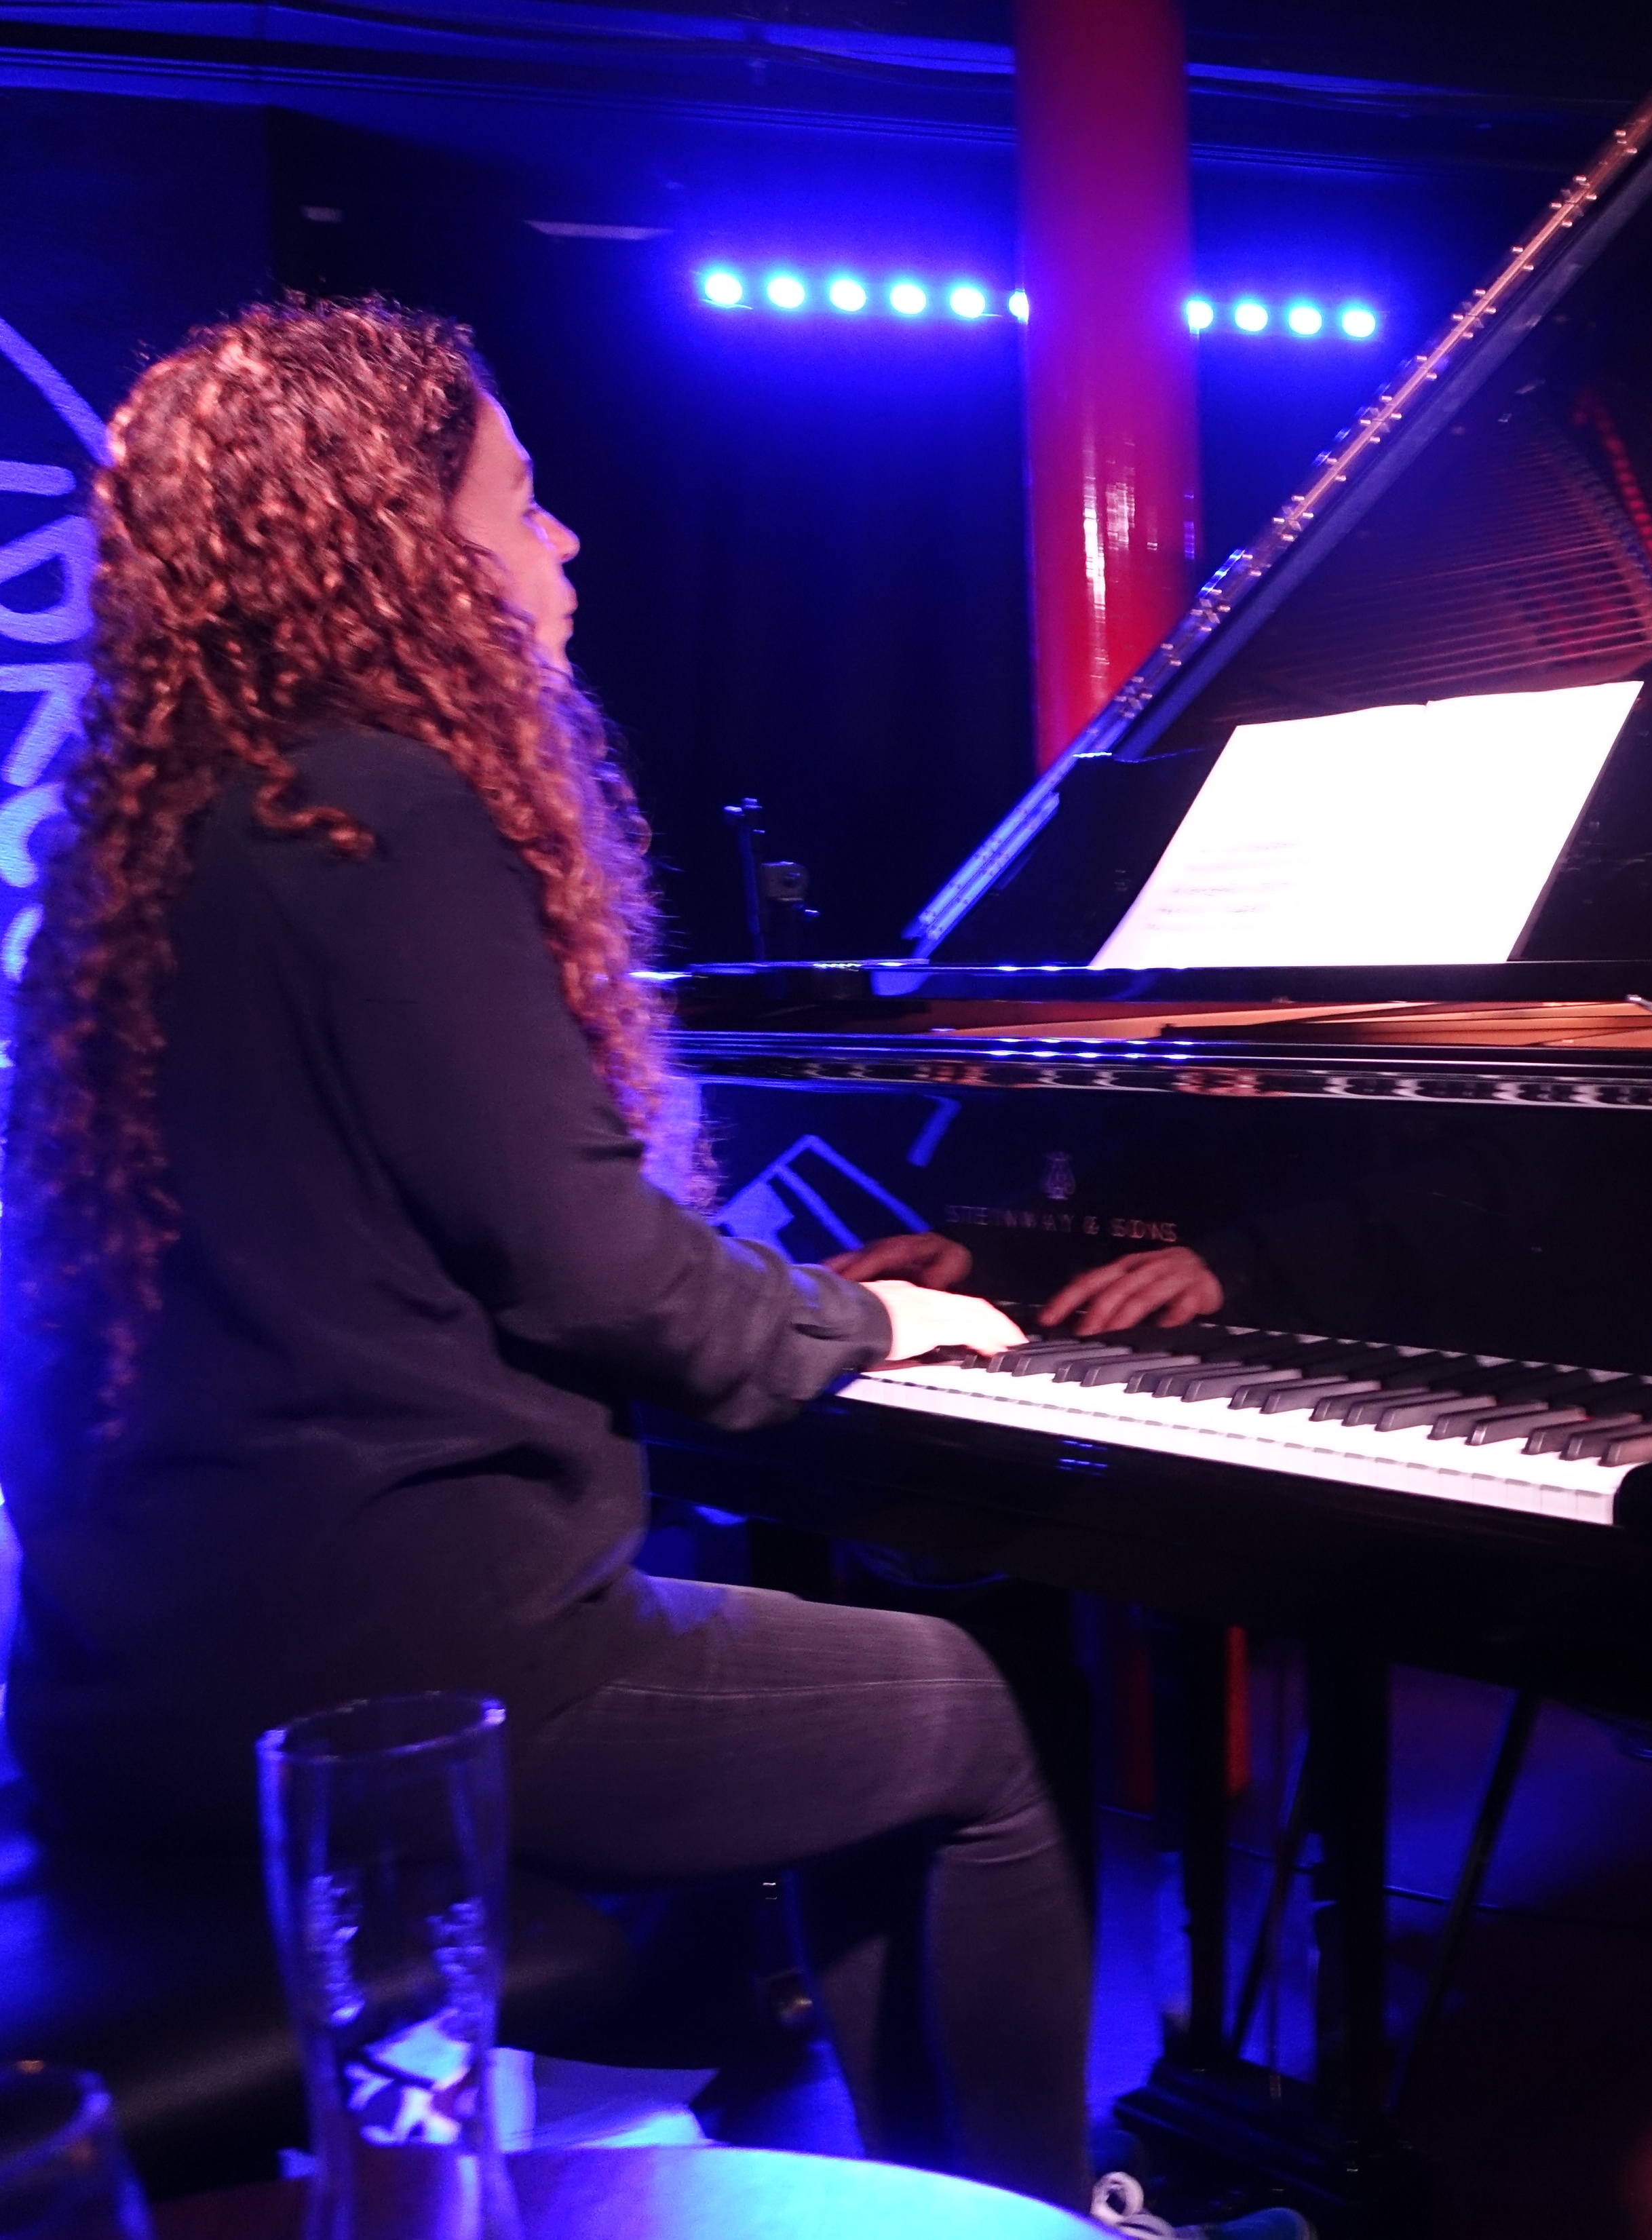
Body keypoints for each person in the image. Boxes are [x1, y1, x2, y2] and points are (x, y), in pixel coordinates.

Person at [0, 300, 1176, 2211]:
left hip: (121, 1672)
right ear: (394, 543)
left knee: (851, 1705)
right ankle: (1045, 2206)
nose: (566, 544)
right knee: (959, 1702)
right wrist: (865, 1312)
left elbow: (413, 1232)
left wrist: (782, 1302)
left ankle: (922, 2183)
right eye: (523, 502)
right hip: (379, 1680)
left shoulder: (165, 834)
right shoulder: (388, 802)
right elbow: (595, 1277)